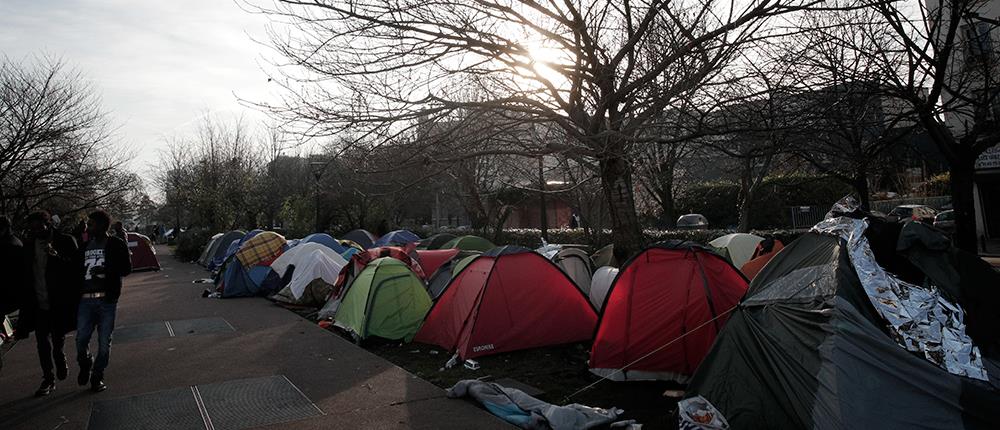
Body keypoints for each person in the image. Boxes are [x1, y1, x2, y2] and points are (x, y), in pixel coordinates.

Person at [15, 211, 80, 397]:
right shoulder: (28, 246)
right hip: (37, 301)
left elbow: (75, 269)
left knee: (57, 339)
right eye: (33, 228)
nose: (36, 231)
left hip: (59, 300)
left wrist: (57, 256)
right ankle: (48, 378)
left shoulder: (65, 241)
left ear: (48, 224)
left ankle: (60, 358)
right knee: (41, 341)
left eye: (39, 227)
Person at [76, 210, 131, 393]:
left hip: (107, 301)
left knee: (104, 342)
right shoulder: (83, 246)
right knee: (81, 340)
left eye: (90, 225)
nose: (87, 228)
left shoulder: (116, 244)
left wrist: (106, 269)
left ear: (100, 226)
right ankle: (85, 362)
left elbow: (126, 268)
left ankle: (97, 375)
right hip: (85, 301)